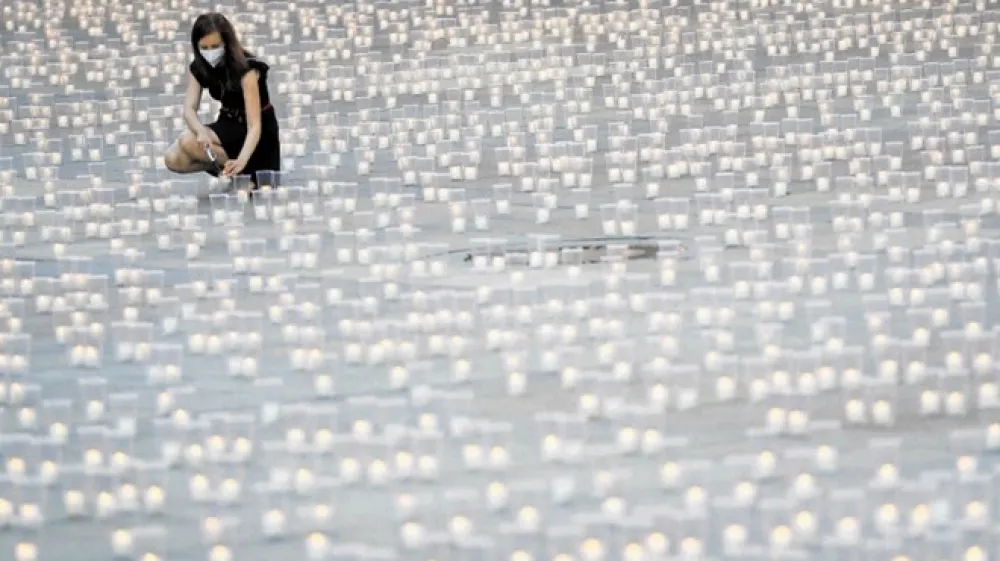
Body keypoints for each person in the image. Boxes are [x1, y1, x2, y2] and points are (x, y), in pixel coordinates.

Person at [163, 12, 280, 187]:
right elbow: (189, 108)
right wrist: (200, 131)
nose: (210, 53)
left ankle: (246, 170)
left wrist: (242, 159)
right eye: (204, 48)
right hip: (228, 123)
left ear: (227, 42)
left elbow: (255, 126)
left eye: (215, 46)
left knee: (187, 141)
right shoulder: (200, 67)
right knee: (173, 158)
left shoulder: (246, 69)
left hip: (256, 130)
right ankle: (232, 172)